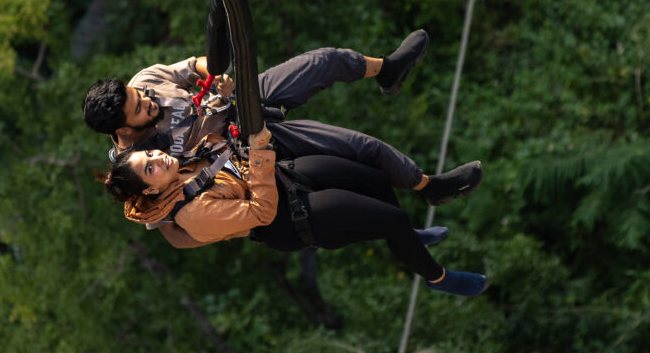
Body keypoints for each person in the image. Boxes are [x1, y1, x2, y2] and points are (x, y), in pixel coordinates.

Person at [83, 31, 483, 205]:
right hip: (246, 145)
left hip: (238, 97)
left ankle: (388, 68)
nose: (149, 104)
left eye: (142, 98)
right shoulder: (138, 162)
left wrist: (216, 76)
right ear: (123, 130)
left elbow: (194, 66)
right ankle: (428, 186)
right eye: (140, 110)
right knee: (355, 146)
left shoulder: (146, 81)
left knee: (323, 61)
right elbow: (167, 197)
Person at [101, 124, 487, 297]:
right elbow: (262, 212)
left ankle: (406, 241)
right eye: (150, 167)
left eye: (151, 155)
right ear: (150, 189)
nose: (158, 159)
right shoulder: (190, 214)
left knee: (374, 178)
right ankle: (438, 278)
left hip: (278, 179)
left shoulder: (182, 165)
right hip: (287, 217)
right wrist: (260, 154)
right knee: (394, 219)